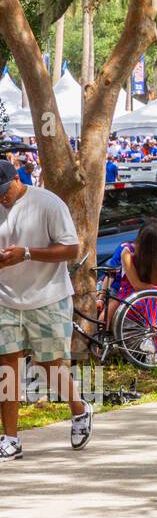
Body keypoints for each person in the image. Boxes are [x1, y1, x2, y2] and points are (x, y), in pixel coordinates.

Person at [0, 160, 93, 461]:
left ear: (17, 179)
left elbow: (71, 249)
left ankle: (79, 409)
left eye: (5, 190)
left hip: (48, 296)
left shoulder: (47, 203)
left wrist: (26, 254)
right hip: (6, 298)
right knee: (7, 366)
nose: (2, 198)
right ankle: (11, 438)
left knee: (50, 365)